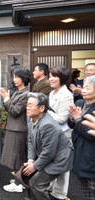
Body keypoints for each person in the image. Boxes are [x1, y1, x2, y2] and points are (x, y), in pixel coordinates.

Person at [23, 93, 74, 200]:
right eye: (27, 104)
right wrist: (31, 160)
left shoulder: (48, 124)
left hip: (60, 158)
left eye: (30, 105)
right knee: (29, 178)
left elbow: (48, 152)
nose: (27, 107)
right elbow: (30, 140)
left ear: (41, 108)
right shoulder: (30, 118)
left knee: (37, 183)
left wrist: (35, 166)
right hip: (49, 155)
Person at [0, 68, 31, 192]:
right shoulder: (19, 92)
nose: (14, 79)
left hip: (18, 129)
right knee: (17, 155)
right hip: (14, 127)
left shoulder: (25, 94)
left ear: (23, 79)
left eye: (17, 77)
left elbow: (15, 111)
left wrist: (6, 98)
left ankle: (19, 184)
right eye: (14, 77)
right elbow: (10, 109)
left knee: (18, 156)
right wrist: (7, 98)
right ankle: (19, 179)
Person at [47, 65, 73, 200]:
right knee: (51, 162)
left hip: (63, 135)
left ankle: (59, 194)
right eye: (50, 76)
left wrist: (45, 112)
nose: (50, 79)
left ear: (62, 78)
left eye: (54, 76)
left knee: (63, 167)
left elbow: (62, 118)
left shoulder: (67, 95)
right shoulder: (52, 92)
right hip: (52, 134)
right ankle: (50, 188)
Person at [68, 75, 95, 200]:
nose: (83, 90)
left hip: (91, 156)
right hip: (79, 151)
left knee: (91, 192)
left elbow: (91, 134)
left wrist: (78, 119)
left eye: (87, 88)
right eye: (83, 88)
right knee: (84, 190)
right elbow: (72, 125)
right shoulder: (79, 102)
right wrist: (72, 118)